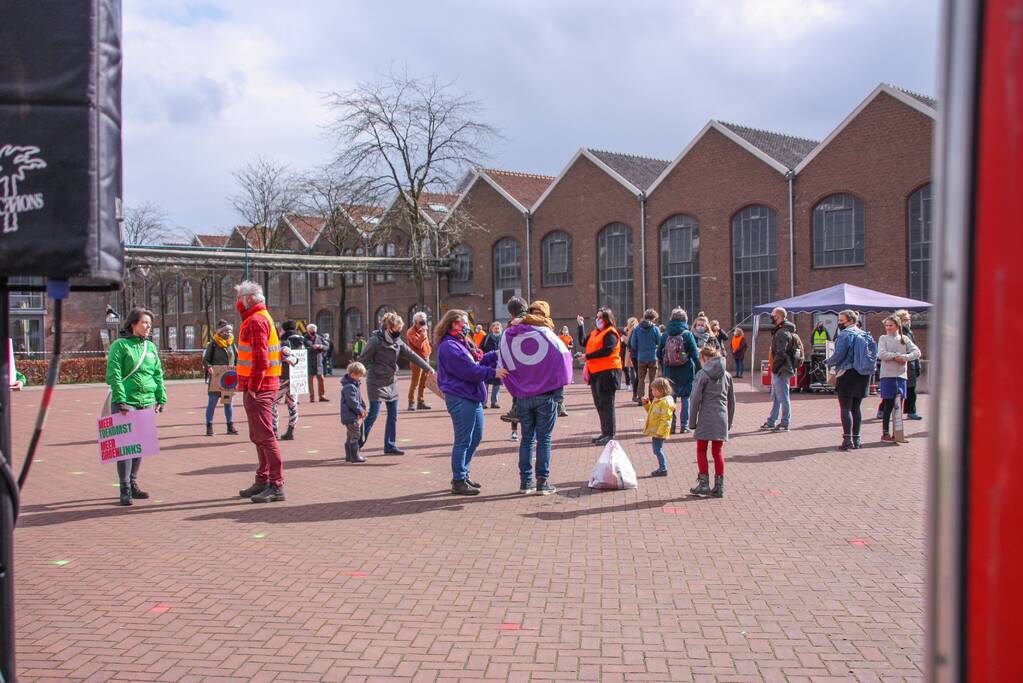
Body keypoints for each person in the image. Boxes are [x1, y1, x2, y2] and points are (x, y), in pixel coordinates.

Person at [436, 310, 507, 495]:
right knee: (463, 439)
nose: (467, 325)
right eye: (464, 322)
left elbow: (479, 358)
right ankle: (458, 479)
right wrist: (493, 373)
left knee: (475, 437)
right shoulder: (449, 346)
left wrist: (496, 354)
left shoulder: (463, 342)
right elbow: (469, 370)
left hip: (472, 396)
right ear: (453, 324)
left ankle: (463, 473)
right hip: (460, 396)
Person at [507, 300, 571, 494]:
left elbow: (506, 359)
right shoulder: (548, 335)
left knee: (527, 439)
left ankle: (525, 482)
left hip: (523, 396)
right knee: (544, 439)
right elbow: (563, 360)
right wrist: (559, 394)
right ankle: (542, 482)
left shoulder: (514, 333)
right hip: (545, 395)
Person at [105, 307, 166, 507]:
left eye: (149, 323)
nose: (148, 327)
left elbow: (157, 374)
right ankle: (124, 488)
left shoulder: (150, 347)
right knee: (125, 447)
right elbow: (113, 374)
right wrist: (121, 400)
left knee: (141, 446)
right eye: (144, 323)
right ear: (133, 324)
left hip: (146, 401)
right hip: (126, 402)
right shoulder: (120, 345)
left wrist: (160, 397)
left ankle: (133, 482)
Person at [233, 281, 286, 503]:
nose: (238, 303)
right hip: (262, 386)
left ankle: (275, 484)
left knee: (264, 436)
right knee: (260, 436)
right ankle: (264, 479)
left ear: (250, 299)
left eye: (240, 298)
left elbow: (261, 360)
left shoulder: (255, 321)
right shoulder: (263, 318)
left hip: (259, 388)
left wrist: (253, 386)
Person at [359, 312, 435, 454]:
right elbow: (362, 360)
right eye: (397, 329)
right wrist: (354, 378)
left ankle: (390, 445)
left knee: (393, 415)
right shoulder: (375, 341)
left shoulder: (397, 342)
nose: (399, 331)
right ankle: (356, 444)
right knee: (373, 414)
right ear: (389, 328)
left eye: (400, 328)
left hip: (391, 382)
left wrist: (428, 368)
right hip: (376, 382)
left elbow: (412, 355)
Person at [688, 345, 735, 498]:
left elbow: (695, 399)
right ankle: (719, 486)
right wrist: (729, 421)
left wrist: (692, 421)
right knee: (718, 451)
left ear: (704, 359)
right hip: (721, 416)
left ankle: (703, 483)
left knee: (701, 449)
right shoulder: (727, 375)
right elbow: (731, 401)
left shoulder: (703, 374)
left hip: (706, 415)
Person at [826, 309, 872, 451]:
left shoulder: (845, 335)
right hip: (863, 374)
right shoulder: (865, 334)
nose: (839, 323)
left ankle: (847, 440)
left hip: (847, 373)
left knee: (845, 407)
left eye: (841, 321)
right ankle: (856, 439)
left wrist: (827, 362)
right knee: (856, 408)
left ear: (850, 321)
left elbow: (839, 355)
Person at [578, 308, 621, 446]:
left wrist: (587, 356)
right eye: (597, 317)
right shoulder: (596, 332)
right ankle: (605, 432)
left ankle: (610, 434)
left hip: (608, 372)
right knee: (600, 404)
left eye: (600, 318)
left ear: (607, 319)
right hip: (596, 372)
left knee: (607, 404)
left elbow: (608, 350)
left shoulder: (611, 333)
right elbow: (583, 342)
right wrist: (580, 326)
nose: (598, 320)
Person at [878, 315, 921, 443]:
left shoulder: (904, 338)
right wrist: (896, 356)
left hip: (901, 375)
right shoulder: (883, 338)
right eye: (886, 325)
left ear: (897, 326)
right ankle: (885, 432)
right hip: (887, 375)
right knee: (888, 404)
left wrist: (905, 357)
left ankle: (898, 433)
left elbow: (917, 352)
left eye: (890, 325)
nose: (888, 328)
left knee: (898, 405)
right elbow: (881, 354)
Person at [657, 308, 701, 434]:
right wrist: (699, 369)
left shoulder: (666, 334)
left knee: (671, 398)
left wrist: (664, 365)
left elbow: (658, 353)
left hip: (669, 371)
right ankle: (684, 425)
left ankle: (671, 425)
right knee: (685, 398)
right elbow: (694, 354)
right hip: (686, 370)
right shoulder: (687, 334)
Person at [760, 307, 796, 432]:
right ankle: (771, 421)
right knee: (776, 397)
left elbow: (781, 353)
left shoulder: (782, 333)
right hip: (780, 368)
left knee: (783, 397)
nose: (771, 317)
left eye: (773, 315)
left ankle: (785, 423)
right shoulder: (781, 331)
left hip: (781, 369)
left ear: (778, 317)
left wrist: (775, 368)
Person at [201, 320, 239, 437]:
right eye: (225, 331)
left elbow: (237, 358)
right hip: (216, 377)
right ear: (220, 332)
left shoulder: (232, 343)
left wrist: (238, 370)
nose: (228, 333)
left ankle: (230, 426)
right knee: (212, 402)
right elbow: (206, 360)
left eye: (229, 331)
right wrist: (209, 367)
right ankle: (209, 427)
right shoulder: (213, 344)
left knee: (228, 403)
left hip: (229, 377)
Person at [500, 297, 530, 441]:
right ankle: (530, 433)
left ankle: (514, 431)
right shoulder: (535, 322)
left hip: (517, 372)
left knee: (517, 402)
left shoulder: (510, 326)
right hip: (533, 371)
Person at [273, 320, 307, 441]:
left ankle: (274, 431)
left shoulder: (285, 342)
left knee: (273, 403)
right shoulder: (302, 342)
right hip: (297, 378)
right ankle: (291, 430)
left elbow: (282, 356)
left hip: (283, 377)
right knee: (293, 404)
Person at [642, 377, 675, 477]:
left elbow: (666, 418)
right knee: (657, 450)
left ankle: (663, 468)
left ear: (660, 390)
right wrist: (647, 404)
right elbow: (651, 412)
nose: (652, 392)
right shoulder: (658, 401)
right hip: (657, 430)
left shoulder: (664, 403)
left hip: (659, 432)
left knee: (657, 450)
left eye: (653, 390)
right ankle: (662, 468)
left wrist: (660, 431)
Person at [895, 309, 923, 420]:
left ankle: (911, 411)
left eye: (909, 319)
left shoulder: (909, 332)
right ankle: (884, 410)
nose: (908, 321)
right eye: (906, 319)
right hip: (903, 365)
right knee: (899, 390)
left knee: (911, 390)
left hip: (911, 365)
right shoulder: (900, 333)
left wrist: (917, 365)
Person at [630, 309, 661, 402]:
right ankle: (652, 398)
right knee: (652, 379)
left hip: (641, 357)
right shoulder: (655, 329)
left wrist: (639, 349)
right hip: (652, 357)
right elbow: (659, 342)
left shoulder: (637, 329)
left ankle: (641, 398)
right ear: (654, 318)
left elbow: (633, 344)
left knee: (641, 379)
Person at [340, 361, 369, 463]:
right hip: (350, 416)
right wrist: (360, 410)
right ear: (353, 374)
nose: (360, 377)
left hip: (350, 415)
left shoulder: (353, 385)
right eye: (359, 375)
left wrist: (363, 407)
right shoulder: (350, 387)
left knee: (350, 435)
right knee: (355, 435)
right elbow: (352, 402)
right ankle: (354, 456)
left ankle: (349, 456)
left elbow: (358, 399)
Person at [405, 311, 433, 412]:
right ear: (415, 321)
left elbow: (425, 344)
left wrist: (429, 349)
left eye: (424, 321)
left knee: (423, 382)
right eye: (421, 321)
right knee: (415, 382)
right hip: (416, 359)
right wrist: (423, 333)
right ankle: (411, 403)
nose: (423, 323)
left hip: (426, 358)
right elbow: (418, 345)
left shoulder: (423, 330)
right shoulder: (411, 332)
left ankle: (420, 402)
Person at [481, 321, 503, 409]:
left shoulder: (504, 337)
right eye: (495, 328)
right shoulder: (486, 337)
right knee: (485, 384)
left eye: (498, 328)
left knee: (497, 385)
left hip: (499, 364)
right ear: (492, 329)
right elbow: (481, 348)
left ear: (501, 329)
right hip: (488, 363)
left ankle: (494, 402)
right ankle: (483, 403)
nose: (497, 330)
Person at [304, 323, 328, 403]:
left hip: (319, 362)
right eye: (311, 331)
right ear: (308, 331)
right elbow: (304, 349)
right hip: (309, 362)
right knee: (310, 381)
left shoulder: (320, 337)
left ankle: (322, 396)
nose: (313, 332)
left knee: (321, 379)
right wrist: (312, 348)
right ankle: (312, 397)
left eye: (314, 330)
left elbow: (327, 346)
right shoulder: (305, 339)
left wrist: (321, 347)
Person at [622, 317, 639, 397]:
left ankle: (633, 385)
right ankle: (632, 385)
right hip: (633, 351)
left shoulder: (632, 329)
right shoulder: (635, 328)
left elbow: (629, 341)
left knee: (632, 369)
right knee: (632, 369)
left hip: (631, 352)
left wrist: (624, 338)